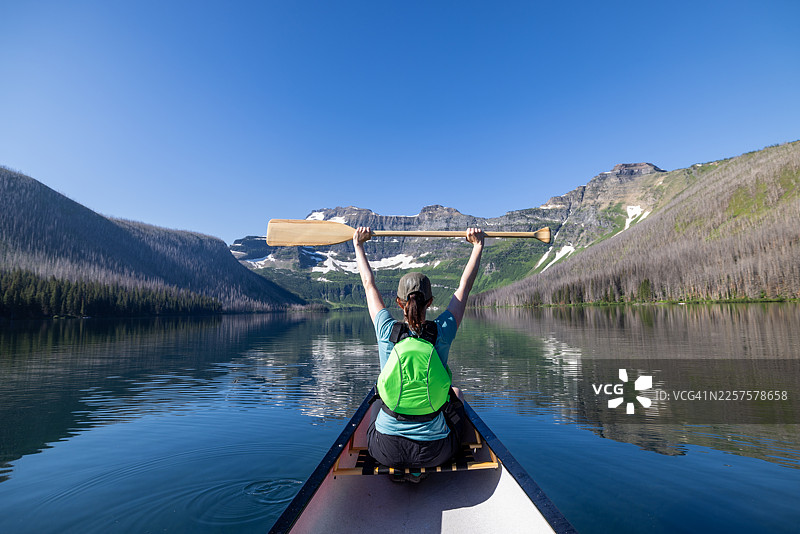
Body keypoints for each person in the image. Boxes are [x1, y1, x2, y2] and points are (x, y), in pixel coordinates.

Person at [353, 226, 485, 475]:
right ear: (430, 303)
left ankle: (403, 469)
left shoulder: (386, 330)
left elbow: (368, 285)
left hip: (385, 450)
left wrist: (358, 245)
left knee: (375, 399)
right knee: (456, 393)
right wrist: (477, 246)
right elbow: (464, 287)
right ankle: (417, 472)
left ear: (399, 304)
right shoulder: (442, 331)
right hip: (435, 452)